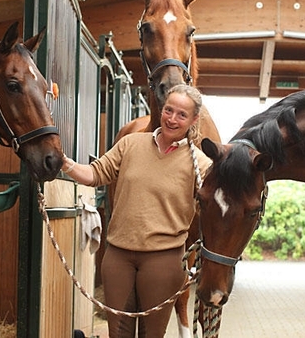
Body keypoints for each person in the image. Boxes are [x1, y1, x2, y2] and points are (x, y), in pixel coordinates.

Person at [62, 84, 212, 337]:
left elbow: (216, 207)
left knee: (151, 335)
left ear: (194, 119)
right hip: (118, 256)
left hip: (163, 260)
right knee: (117, 333)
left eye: (181, 115)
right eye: (168, 110)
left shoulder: (201, 164)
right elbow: (95, 173)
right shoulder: (130, 144)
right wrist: (65, 163)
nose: (172, 119)